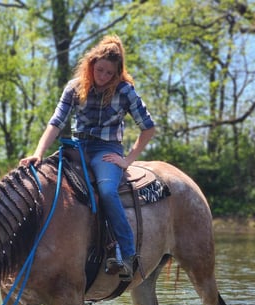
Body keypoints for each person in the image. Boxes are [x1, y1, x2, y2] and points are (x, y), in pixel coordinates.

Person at [20, 35, 156, 281]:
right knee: (46, 184)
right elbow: (56, 122)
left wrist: (128, 160)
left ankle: (127, 254)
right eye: (100, 69)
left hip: (107, 151)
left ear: (117, 74)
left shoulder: (125, 91)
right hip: (76, 148)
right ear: (91, 63)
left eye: (109, 73)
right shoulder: (74, 87)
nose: (102, 76)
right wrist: (38, 153)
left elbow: (148, 127)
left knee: (106, 192)